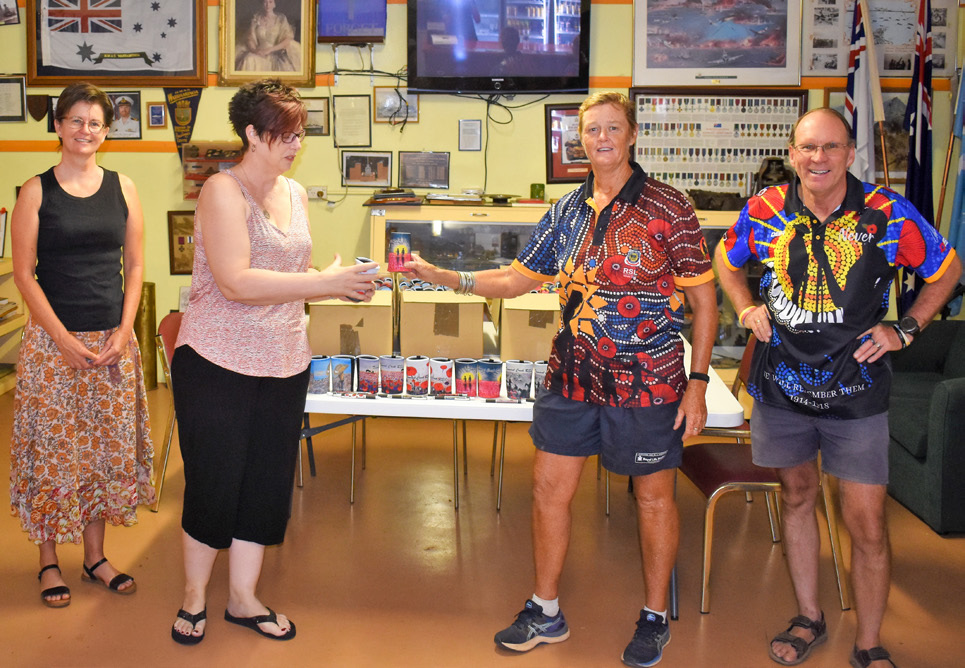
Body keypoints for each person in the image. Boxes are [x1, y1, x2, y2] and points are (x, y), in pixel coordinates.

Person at [406, 91, 718, 667]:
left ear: (631, 136)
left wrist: (697, 381)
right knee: (550, 491)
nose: (601, 138)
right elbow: (516, 279)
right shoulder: (568, 209)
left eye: (612, 128)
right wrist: (445, 275)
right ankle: (545, 608)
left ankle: (653, 618)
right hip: (571, 374)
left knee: (652, 499)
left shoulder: (669, 208)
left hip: (646, 380)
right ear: (580, 140)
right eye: (591, 129)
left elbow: (704, 302)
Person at [715, 107, 961, 668]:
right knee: (797, 499)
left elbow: (946, 268)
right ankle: (809, 617)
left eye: (830, 147)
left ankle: (870, 642)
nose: (818, 158)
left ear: (850, 154)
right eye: (807, 148)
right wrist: (747, 305)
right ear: (794, 154)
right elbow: (726, 262)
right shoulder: (767, 208)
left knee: (866, 524)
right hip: (781, 390)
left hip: (858, 392)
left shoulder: (885, 213)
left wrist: (907, 328)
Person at [169, 79, 377, 645]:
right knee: (214, 483)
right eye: (284, 134)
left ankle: (242, 598)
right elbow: (235, 281)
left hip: (283, 360)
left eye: (300, 133)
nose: (295, 144)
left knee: (264, 485)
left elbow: (288, 273)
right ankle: (194, 599)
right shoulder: (220, 190)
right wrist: (323, 282)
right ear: (252, 134)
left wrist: (332, 277)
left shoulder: (297, 192)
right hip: (217, 361)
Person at [9, 82, 155, 608]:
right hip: (53, 345)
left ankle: (94, 557)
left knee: (102, 450)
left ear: (106, 131)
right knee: (53, 453)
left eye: (95, 123)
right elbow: (24, 275)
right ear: (58, 125)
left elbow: (136, 265)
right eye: (75, 120)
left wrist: (125, 330)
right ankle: (49, 561)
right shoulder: (35, 190)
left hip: (112, 343)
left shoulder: (125, 188)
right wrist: (62, 340)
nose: (85, 131)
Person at [235, 0, 300, 72]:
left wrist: (269, 50)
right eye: (265, 2)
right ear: (262, 4)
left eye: (270, 2)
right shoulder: (256, 18)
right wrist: (255, 50)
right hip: (259, 53)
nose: (267, 5)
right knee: (248, 59)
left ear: (274, 4)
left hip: (275, 54)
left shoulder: (281, 19)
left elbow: (287, 39)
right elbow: (250, 38)